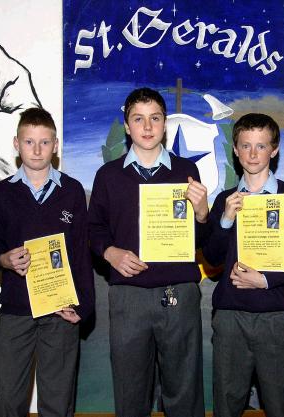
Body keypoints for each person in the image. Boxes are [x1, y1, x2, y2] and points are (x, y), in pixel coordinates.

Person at [88, 87, 209, 417]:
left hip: (178, 293)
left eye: (154, 118)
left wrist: (201, 213)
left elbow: (199, 240)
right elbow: (94, 229)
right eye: (138, 119)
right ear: (127, 126)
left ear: (165, 124)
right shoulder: (108, 175)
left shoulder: (187, 172)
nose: (147, 126)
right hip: (129, 295)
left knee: (184, 388)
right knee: (130, 389)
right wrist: (110, 252)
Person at [202, 113, 284, 417]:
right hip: (230, 317)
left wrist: (266, 280)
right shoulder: (225, 200)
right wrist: (226, 220)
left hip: (275, 316)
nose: (253, 154)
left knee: (279, 404)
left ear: (274, 150)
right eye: (246, 146)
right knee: (226, 404)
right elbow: (212, 259)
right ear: (236, 150)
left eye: (261, 146)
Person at [0, 107, 94, 417]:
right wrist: (3, 258)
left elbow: (80, 255)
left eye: (44, 142)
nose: (36, 149)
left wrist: (83, 307)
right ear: (16, 144)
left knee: (58, 403)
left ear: (55, 145)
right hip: (15, 310)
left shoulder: (71, 191)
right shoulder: (2, 192)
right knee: (8, 401)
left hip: (60, 310)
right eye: (29, 142)